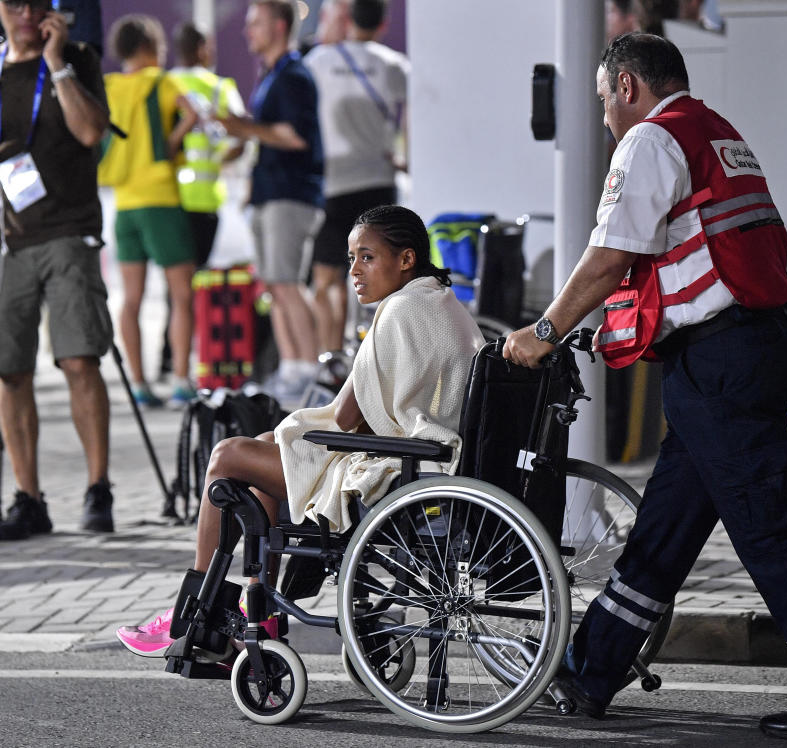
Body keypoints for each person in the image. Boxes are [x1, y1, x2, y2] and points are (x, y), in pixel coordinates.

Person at [502, 34, 787, 740]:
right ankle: (590, 671)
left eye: (601, 103)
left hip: (720, 361)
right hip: (749, 347)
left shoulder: (651, 139)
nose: (604, 121)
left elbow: (611, 253)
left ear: (626, 87)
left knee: (772, 527)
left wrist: (546, 330)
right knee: (665, 530)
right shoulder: (716, 132)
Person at [115, 204, 485, 656]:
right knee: (268, 448)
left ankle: (198, 610)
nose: (354, 271)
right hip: (431, 463)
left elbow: (347, 418)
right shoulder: (440, 301)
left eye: (366, 257)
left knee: (228, 456)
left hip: (401, 473)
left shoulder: (400, 311)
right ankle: (257, 615)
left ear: (405, 259)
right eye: (351, 258)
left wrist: (293, 431)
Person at [0, 0, 114, 539]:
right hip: (12, 241)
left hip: (69, 232)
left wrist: (56, 62)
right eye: (13, 2)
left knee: (78, 360)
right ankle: (29, 498)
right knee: (10, 370)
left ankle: (98, 488)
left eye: (34, 2)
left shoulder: (77, 57)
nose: (24, 11)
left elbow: (92, 132)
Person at [218, 0, 325, 407]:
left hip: (290, 194)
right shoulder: (274, 75)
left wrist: (243, 127)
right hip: (270, 194)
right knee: (276, 286)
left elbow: (295, 136)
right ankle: (292, 369)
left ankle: (311, 370)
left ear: (279, 26)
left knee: (287, 284)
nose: (248, 32)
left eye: (256, 24)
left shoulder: (294, 75)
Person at [101, 15, 198, 409]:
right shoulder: (163, 81)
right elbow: (192, 114)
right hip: (160, 197)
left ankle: (138, 386)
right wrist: (172, 144)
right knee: (180, 295)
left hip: (124, 204)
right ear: (149, 47)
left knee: (131, 298)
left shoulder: (108, 86)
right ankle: (179, 382)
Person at [303, 0, 409, 356]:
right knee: (382, 272)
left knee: (327, 277)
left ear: (348, 20)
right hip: (379, 181)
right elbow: (413, 111)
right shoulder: (393, 64)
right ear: (383, 23)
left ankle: (331, 358)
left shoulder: (319, 62)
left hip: (334, 184)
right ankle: (380, 356)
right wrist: (404, 158)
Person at [156, 22, 247, 381]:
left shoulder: (166, 86)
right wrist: (219, 161)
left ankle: (166, 356)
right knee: (193, 285)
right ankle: (189, 355)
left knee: (172, 284)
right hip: (206, 199)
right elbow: (241, 137)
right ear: (205, 49)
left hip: (169, 198)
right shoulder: (220, 87)